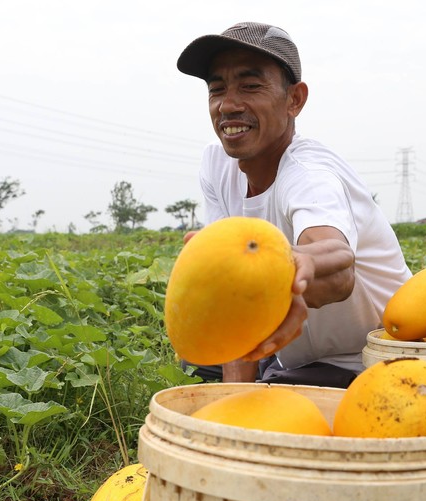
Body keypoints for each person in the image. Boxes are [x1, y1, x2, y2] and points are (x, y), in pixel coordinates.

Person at [176, 21, 412, 388]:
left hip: (369, 360)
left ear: (294, 100)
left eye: (251, 86)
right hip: (293, 351)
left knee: (280, 403)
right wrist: (235, 398)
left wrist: (299, 264)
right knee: (202, 361)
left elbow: (336, 262)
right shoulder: (216, 165)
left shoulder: (309, 173)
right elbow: (232, 292)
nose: (228, 105)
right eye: (217, 89)